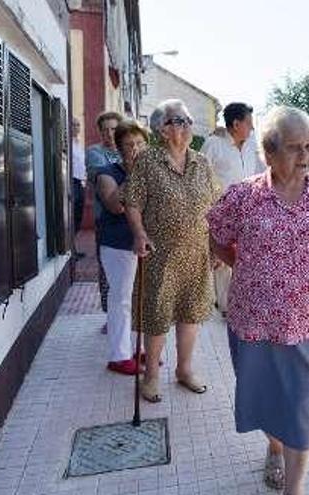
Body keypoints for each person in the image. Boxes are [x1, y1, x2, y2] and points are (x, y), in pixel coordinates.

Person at [207, 106, 309, 494]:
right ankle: (274, 446)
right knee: (267, 399)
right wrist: (248, 265)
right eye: (293, 147)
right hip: (254, 321)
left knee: (305, 408)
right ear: (269, 153)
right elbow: (217, 238)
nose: (304, 156)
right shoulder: (242, 197)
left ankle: (295, 487)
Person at [123, 99, 221, 402]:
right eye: (179, 120)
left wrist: (216, 245)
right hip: (160, 254)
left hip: (196, 253)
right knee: (156, 316)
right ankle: (151, 376)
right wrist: (139, 233)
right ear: (162, 130)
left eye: (188, 120)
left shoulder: (201, 162)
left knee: (191, 315)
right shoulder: (147, 160)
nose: (187, 125)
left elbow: (215, 206)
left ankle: (184, 370)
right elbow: (133, 202)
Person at [200, 102, 266, 315]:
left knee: (243, 257)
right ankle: (228, 307)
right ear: (236, 124)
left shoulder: (250, 146)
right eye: (249, 123)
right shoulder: (213, 144)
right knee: (222, 261)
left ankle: (234, 303)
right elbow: (199, 178)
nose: (252, 128)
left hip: (247, 211)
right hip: (220, 212)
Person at [95, 119, 149, 375]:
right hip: (118, 245)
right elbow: (115, 205)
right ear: (119, 149)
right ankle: (119, 356)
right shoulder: (108, 173)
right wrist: (135, 175)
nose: (136, 148)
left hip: (146, 245)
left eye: (140, 143)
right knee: (121, 299)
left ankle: (138, 349)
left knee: (141, 299)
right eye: (129, 144)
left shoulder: (152, 172)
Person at [86, 111, 123, 318]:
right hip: (106, 219)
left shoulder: (130, 149)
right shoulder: (94, 152)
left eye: (114, 129)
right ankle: (110, 315)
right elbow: (103, 176)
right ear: (100, 132)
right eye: (105, 130)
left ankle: (129, 316)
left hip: (132, 219)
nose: (110, 134)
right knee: (107, 270)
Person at [71, 118, 86, 259]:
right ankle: (71, 250)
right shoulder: (68, 144)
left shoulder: (78, 144)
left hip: (81, 183)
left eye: (78, 125)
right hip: (71, 182)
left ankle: (73, 248)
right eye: (73, 125)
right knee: (72, 216)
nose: (76, 127)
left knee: (78, 216)